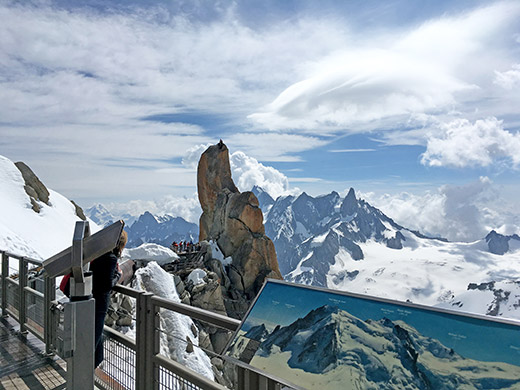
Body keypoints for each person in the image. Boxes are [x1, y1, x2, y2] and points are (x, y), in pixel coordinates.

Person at [89, 229, 127, 368]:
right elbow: (106, 285)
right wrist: (118, 275)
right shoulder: (110, 258)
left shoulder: (96, 254)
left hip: (88, 302)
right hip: (98, 306)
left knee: (95, 347)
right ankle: (82, 380)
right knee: (93, 346)